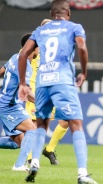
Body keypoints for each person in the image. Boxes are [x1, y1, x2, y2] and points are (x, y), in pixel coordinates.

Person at [18, 0, 98, 183]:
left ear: (52, 13)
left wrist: (23, 83)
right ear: (68, 13)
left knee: (41, 124)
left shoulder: (40, 31)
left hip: (42, 83)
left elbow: (23, 54)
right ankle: (82, 174)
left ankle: (35, 162)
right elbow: (82, 47)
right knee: (75, 123)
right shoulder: (74, 27)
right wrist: (84, 72)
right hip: (62, 81)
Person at [24, 18, 69, 166]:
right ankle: (30, 157)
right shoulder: (34, 46)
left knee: (66, 119)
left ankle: (49, 150)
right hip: (37, 91)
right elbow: (22, 60)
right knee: (35, 124)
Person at [0, 33, 37, 171]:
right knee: (32, 129)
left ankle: (20, 164)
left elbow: (1, 71)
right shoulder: (25, 64)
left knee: (17, 143)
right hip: (8, 106)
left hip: (8, 104)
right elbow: (26, 92)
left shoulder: (15, 57)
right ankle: (19, 165)